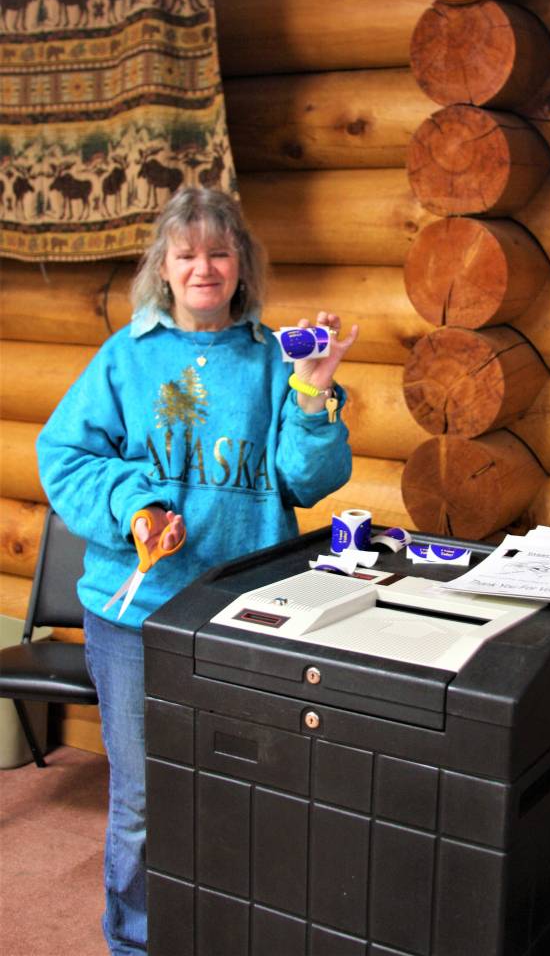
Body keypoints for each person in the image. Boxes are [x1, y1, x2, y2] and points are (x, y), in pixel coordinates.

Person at [36, 186, 358, 955]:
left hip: (244, 611)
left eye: (219, 251)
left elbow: (306, 481)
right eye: (187, 254)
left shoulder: (273, 356)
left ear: (241, 264)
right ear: (165, 267)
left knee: (248, 785)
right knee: (145, 799)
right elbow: (64, 456)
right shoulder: (126, 358)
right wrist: (136, 508)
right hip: (136, 615)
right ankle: (136, 945)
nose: (203, 267)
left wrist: (312, 393)